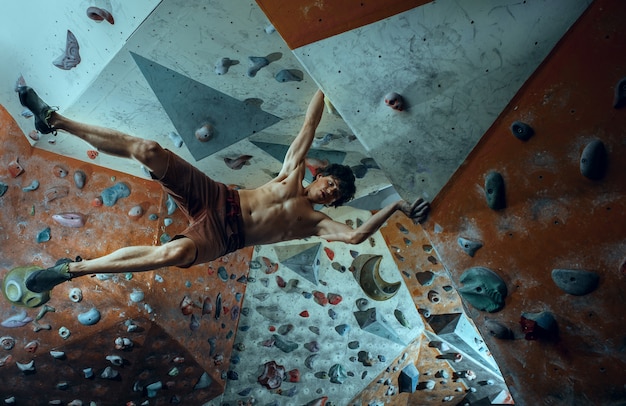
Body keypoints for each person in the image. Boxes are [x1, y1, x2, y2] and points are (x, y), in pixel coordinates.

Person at [16, 87, 430, 294]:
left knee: (173, 253)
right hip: (216, 197)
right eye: (330, 182)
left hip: (225, 237)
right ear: (321, 175)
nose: (328, 192)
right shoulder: (291, 174)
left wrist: (394, 205)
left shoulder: (318, 224)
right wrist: (328, 81)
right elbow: (309, 126)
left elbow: (356, 235)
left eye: (335, 194)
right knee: (149, 150)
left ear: (335, 202)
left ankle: (71, 270)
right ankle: (54, 120)